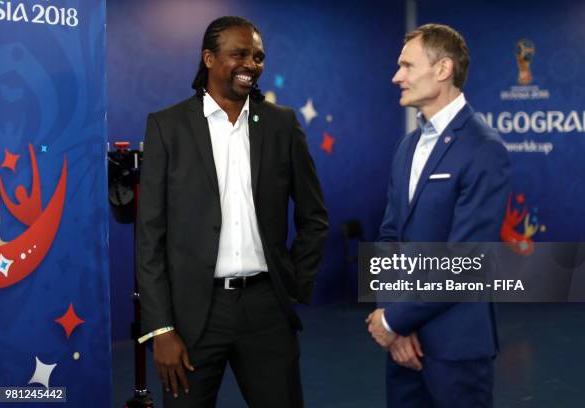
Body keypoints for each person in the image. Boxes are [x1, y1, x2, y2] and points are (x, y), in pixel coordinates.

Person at [136, 16, 328, 408]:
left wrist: (292, 285)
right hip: (191, 318)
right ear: (209, 58)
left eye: (258, 57)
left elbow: (314, 216)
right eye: (239, 54)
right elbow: (149, 236)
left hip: (267, 310)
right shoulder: (166, 127)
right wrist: (160, 328)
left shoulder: (282, 124)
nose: (251, 65)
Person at [366, 24, 510, 407]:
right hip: (402, 346)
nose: (397, 77)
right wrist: (390, 316)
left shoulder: (484, 148)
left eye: (407, 66)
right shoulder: (407, 145)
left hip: (456, 348)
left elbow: (466, 258)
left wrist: (394, 321)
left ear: (443, 69)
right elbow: (389, 235)